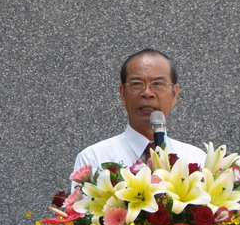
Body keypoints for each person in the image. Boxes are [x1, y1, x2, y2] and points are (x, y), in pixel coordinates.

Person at [73, 48, 206, 176]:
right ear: (122, 93)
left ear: (175, 94)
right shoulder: (94, 159)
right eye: (137, 84)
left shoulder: (196, 160)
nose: (147, 93)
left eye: (158, 84)